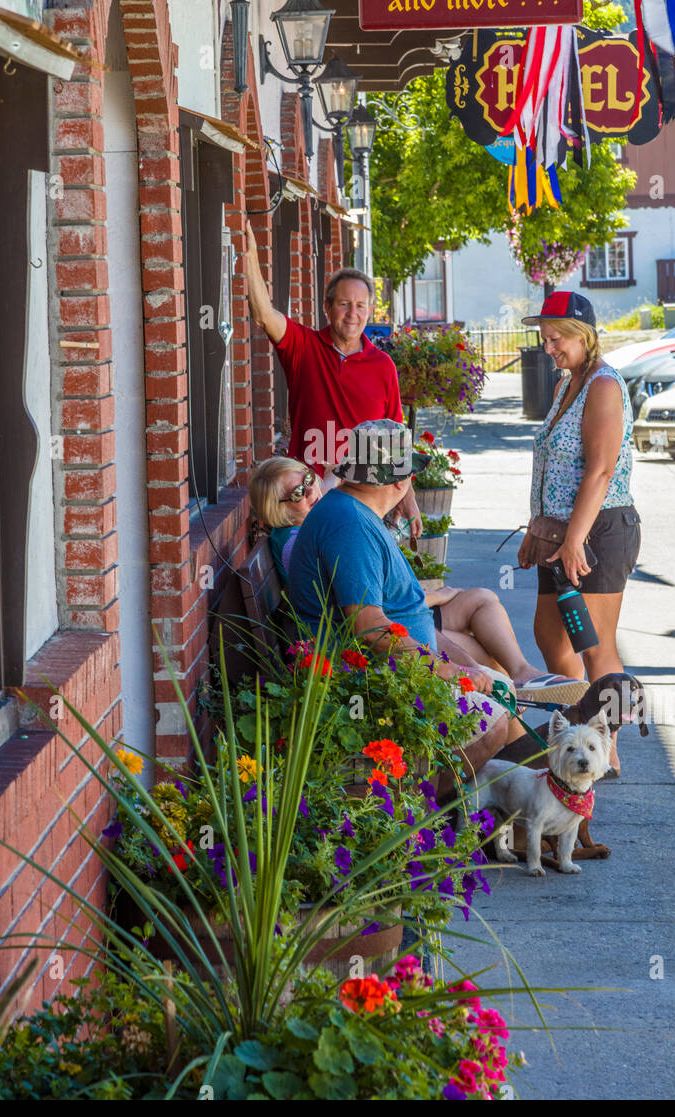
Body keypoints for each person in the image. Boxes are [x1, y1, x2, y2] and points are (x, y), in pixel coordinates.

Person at [288, 420, 545, 798]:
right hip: (370, 682)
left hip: (397, 668)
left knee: (499, 686)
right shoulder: (350, 527)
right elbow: (369, 627)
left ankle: (526, 805)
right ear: (398, 482)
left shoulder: (353, 511)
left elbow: (410, 616)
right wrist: (445, 670)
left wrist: (466, 667)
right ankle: (416, 814)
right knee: (492, 721)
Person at [250, 449, 585, 703]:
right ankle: (518, 713)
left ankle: (520, 684)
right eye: (297, 494)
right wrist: (436, 599)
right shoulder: (331, 530)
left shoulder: (333, 517)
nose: (310, 492)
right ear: (275, 509)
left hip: (397, 625)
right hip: (368, 653)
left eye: (308, 480)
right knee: (481, 650)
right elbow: (367, 616)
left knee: (481, 606)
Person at [517, 291, 641, 776]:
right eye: (543, 337)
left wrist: (574, 540)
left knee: (595, 645)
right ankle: (580, 733)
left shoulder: (603, 386)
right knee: (551, 635)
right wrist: (537, 528)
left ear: (583, 335)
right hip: (559, 534)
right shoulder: (566, 385)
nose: (548, 346)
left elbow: (600, 471)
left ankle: (604, 750)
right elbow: (549, 465)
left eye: (556, 337)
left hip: (600, 530)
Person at [243, 223, 423, 535]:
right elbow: (263, 314)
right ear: (327, 307)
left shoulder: (383, 365)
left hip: (364, 506)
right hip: (308, 503)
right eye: (344, 304)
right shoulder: (303, 347)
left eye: (360, 306)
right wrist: (249, 255)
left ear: (369, 312)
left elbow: (394, 440)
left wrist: (408, 497)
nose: (353, 313)